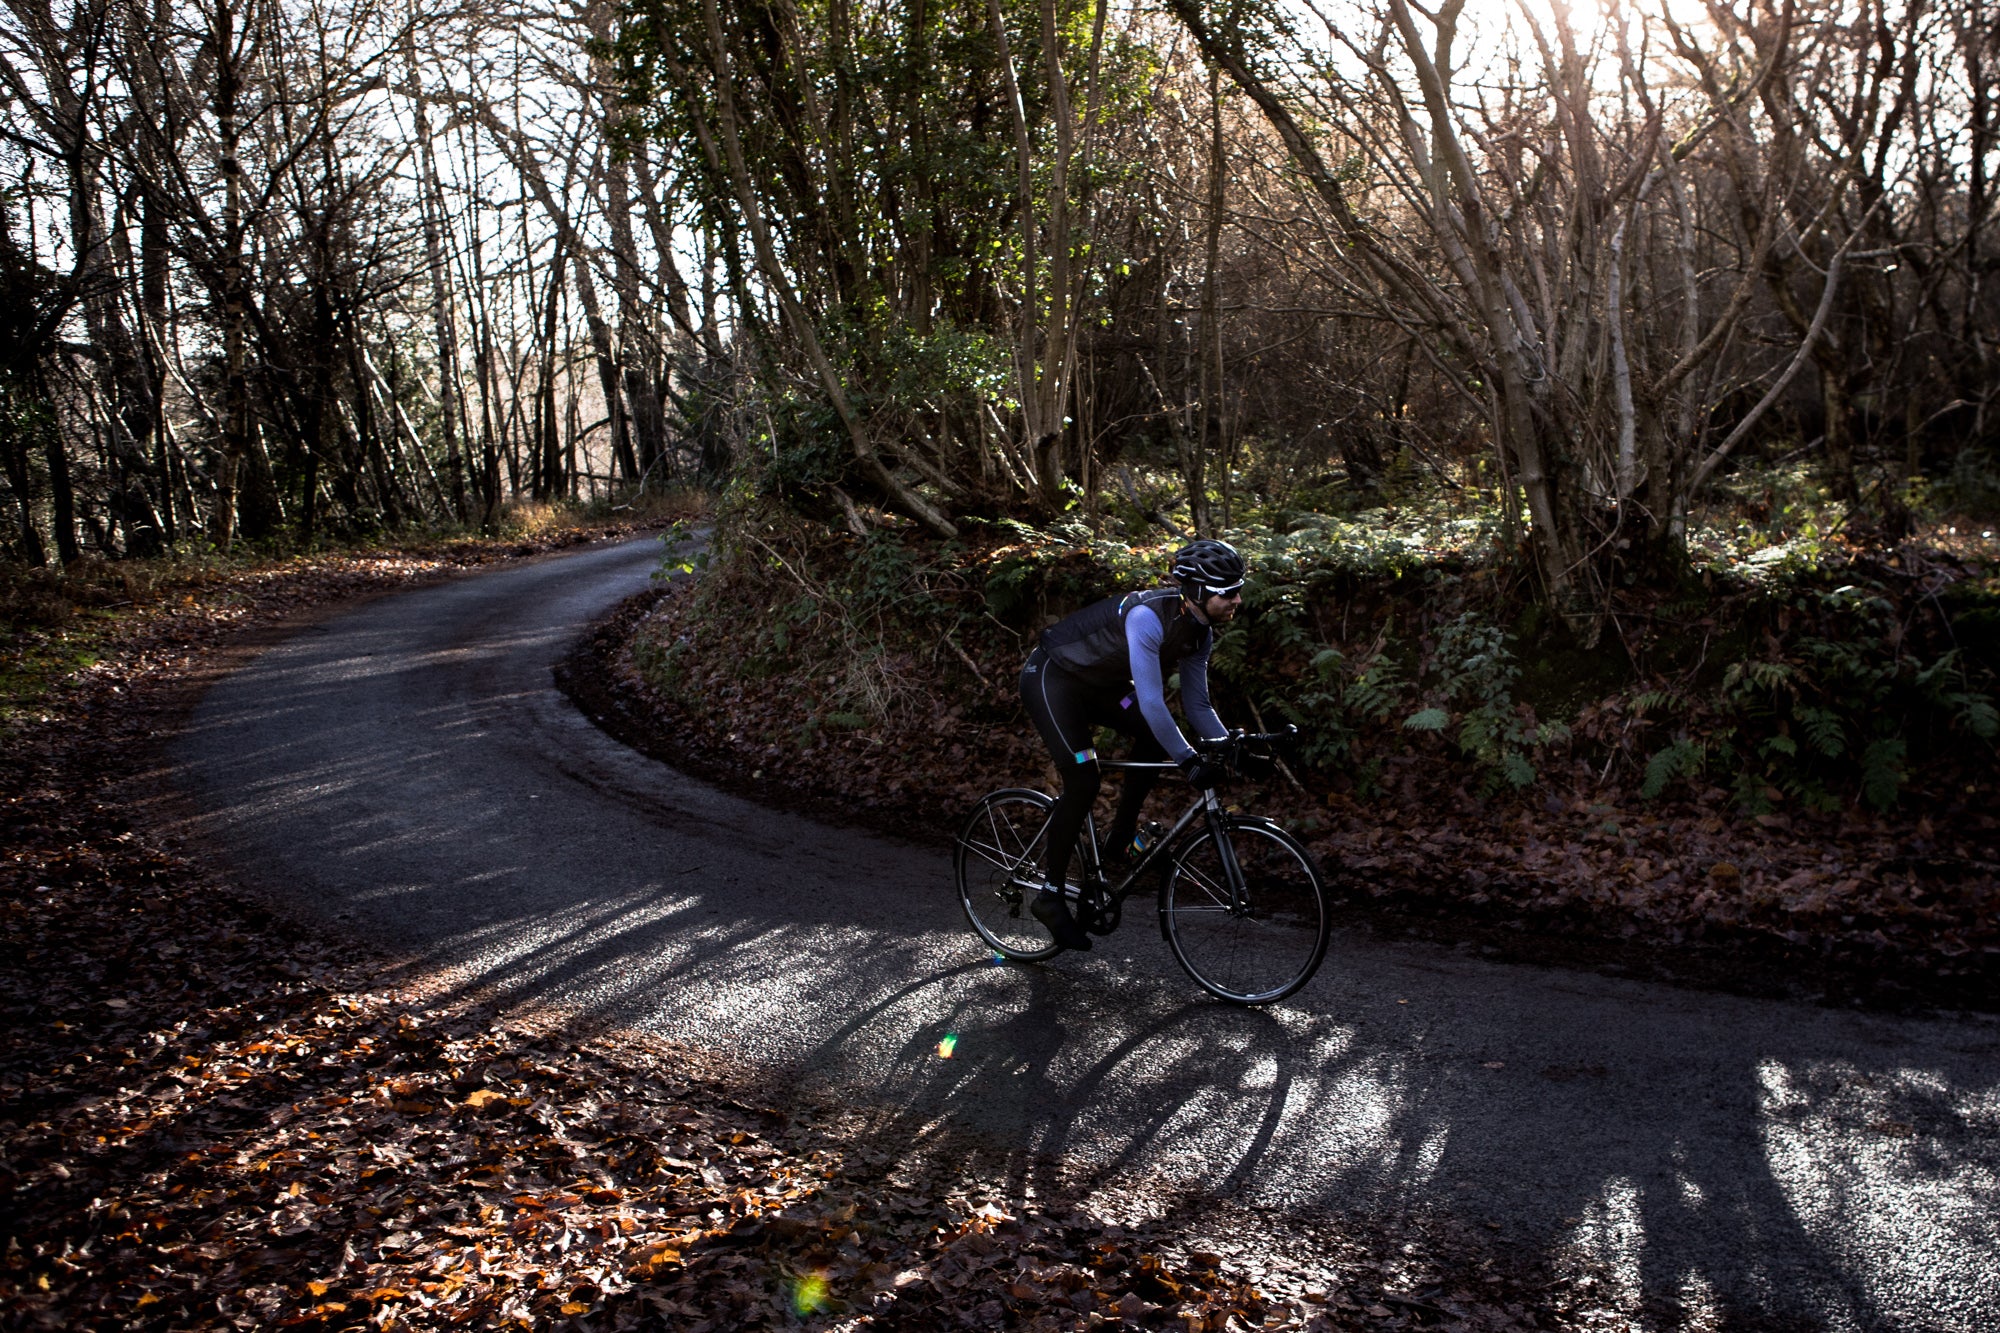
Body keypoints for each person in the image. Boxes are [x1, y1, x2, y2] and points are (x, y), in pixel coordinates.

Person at [1018, 538, 1246, 951]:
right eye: (1227, 592)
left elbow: (1196, 704)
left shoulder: (1200, 633)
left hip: (1102, 687)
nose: (1237, 599)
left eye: (1238, 589)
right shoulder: (1147, 617)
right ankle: (1050, 895)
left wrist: (1229, 745)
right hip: (1054, 678)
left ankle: (1119, 838)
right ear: (1196, 591)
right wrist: (1189, 760)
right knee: (1084, 779)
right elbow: (1153, 701)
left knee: (1150, 734)